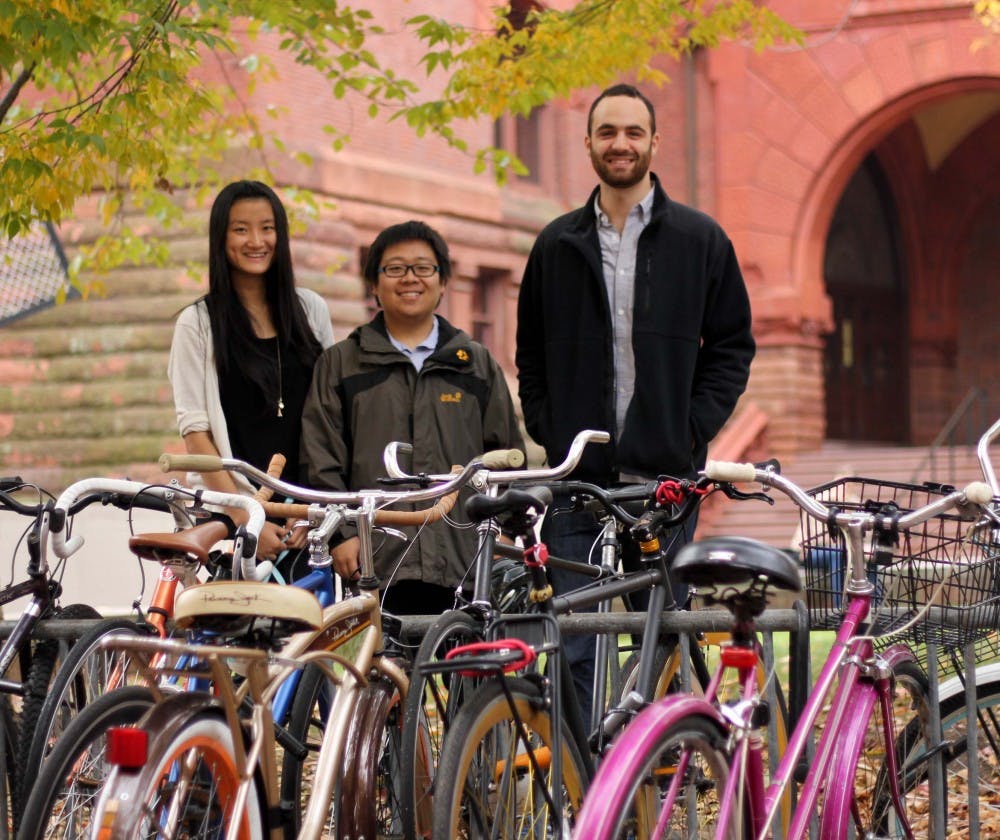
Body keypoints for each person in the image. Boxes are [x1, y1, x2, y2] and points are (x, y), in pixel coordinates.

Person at [515, 83, 756, 724]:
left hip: (667, 481)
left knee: (669, 639)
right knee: (576, 645)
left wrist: (690, 427)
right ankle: (587, 795)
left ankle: (660, 778)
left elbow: (732, 347)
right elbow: (530, 359)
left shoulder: (701, 240)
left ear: (653, 142)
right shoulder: (554, 245)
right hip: (577, 487)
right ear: (589, 141)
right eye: (607, 132)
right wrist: (551, 428)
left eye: (632, 132)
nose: (620, 143)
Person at [300, 220, 523, 616]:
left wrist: (503, 529)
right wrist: (343, 537)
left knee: (463, 674)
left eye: (423, 268)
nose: (410, 279)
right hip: (375, 560)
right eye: (395, 268)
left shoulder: (474, 363)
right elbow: (321, 460)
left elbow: (505, 455)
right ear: (374, 284)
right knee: (376, 674)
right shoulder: (341, 364)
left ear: (442, 283)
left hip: (463, 560)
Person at [168, 180, 335, 571]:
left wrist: (310, 506)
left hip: (306, 517)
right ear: (221, 238)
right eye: (241, 229)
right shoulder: (198, 324)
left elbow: (329, 417)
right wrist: (247, 518)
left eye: (267, 227)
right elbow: (196, 433)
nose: (256, 240)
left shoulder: (310, 310)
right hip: (231, 516)